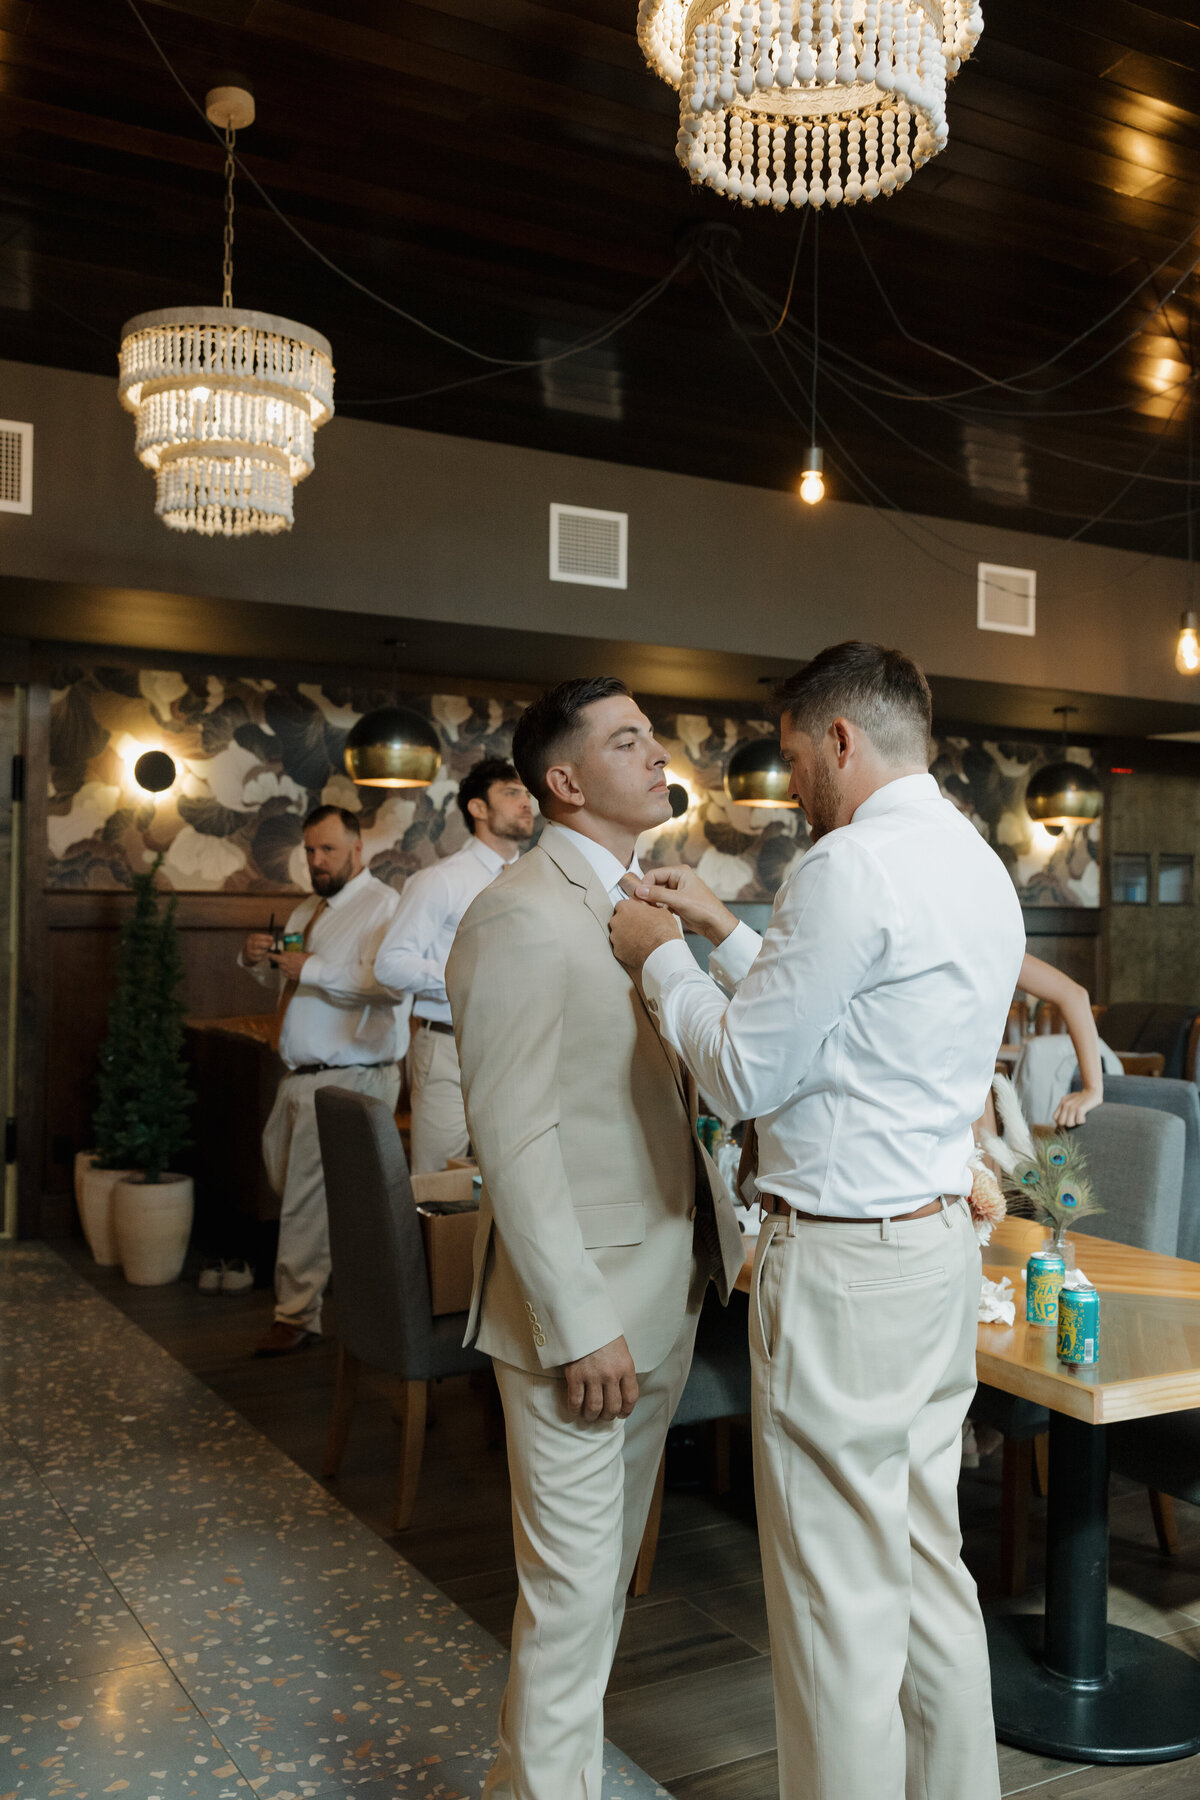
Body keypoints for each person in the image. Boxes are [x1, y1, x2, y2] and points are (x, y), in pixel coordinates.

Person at [609, 641, 1025, 1800]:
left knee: (835, 1601)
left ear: (840, 739)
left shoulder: (844, 868)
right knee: (925, 1567)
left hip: (843, 1271)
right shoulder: (975, 865)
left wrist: (664, 959)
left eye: (795, 759)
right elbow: (853, 1028)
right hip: (936, 1251)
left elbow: (748, 1072)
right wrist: (731, 933)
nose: (793, 788)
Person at [445, 678, 743, 1800]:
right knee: (570, 1595)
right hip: (587, 1319)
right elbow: (515, 1140)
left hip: (666, 1287)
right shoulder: (518, 912)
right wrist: (577, 1326)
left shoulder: (641, 898)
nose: (657, 750)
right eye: (628, 740)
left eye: (652, 732)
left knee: (601, 1587)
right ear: (563, 781)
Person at [240, 805, 405, 1357]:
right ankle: (338, 1292)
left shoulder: (383, 906)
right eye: (310, 851)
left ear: (357, 849)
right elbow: (291, 990)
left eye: (327, 850)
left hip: (350, 1075)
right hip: (299, 1074)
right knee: (290, 1183)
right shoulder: (308, 908)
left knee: (307, 1201)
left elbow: (387, 983)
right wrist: (258, 963)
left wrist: (308, 967)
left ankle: (296, 1315)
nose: (316, 860)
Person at [375, 758, 533, 1173]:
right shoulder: (440, 880)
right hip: (449, 1047)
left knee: (512, 1175)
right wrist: (470, 982)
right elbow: (391, 964)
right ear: (478, 809)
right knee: (437, 1178)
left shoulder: (534, 880)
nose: (527, 803)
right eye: (512, 793)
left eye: (527, 794)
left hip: (520, 1045)